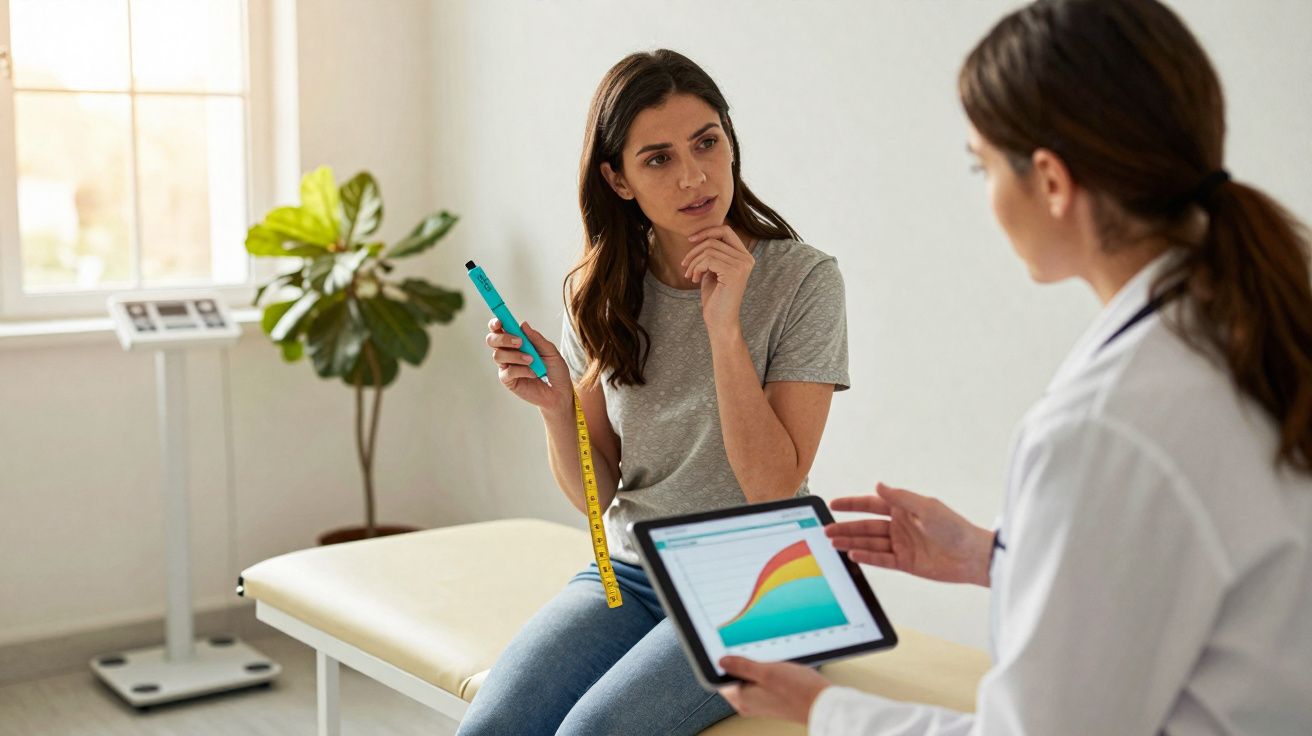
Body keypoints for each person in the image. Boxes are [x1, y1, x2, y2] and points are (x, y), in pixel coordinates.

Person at [718, 0, 1312, 733]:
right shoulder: (1263, 318)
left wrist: (822, 708)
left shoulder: (1104, 427)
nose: (987, 196)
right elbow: (1198, 567)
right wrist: (993, 555)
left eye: (983, 165)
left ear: (1052, 182)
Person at [457, 49, 851, 736]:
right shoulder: (598, 292)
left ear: (730, 140)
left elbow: (772, 486)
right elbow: (597, 496)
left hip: (766, 580)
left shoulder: (803, 280)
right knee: (491, 729)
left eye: (707, 143)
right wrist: (557, 412)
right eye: (659, 158)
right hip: (633, 573)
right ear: (619, 178)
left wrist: (725, 330)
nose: (695, 175)